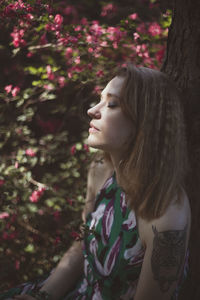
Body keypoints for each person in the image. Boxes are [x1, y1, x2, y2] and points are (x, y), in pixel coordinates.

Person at [1, 64, 191, 300]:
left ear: (145, 121)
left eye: (112, 104)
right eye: (99, 100)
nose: (92, 110)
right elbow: (84, 244)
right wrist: (43, 296)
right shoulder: (101, 172)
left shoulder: (165, 211)